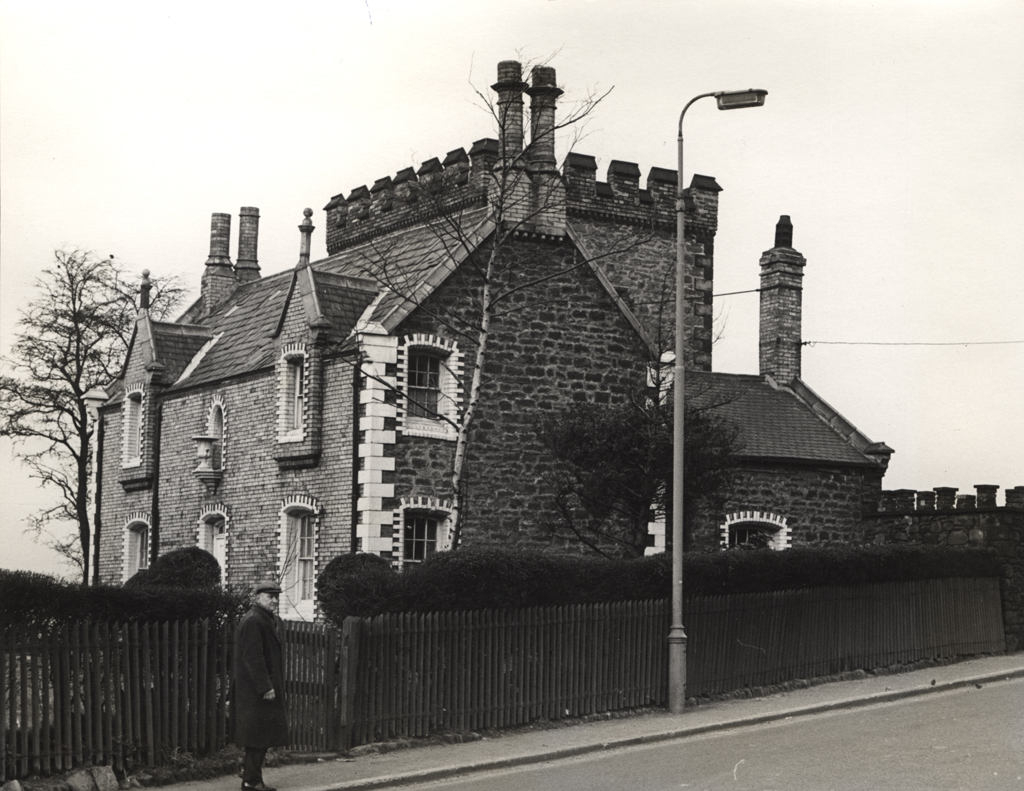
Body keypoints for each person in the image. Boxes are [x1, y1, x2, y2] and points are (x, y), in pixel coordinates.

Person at [234, 581, 289, 791]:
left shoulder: (264, 618)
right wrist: (265, 687)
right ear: (258, 597)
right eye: (269, 596)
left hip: (258, 689)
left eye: (277, 596)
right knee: (259, 736)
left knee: (259, 735)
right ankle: (251, 781)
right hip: (255, 691)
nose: (274, 600)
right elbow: (253, 658)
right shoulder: (253, 621)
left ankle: (249, 772)